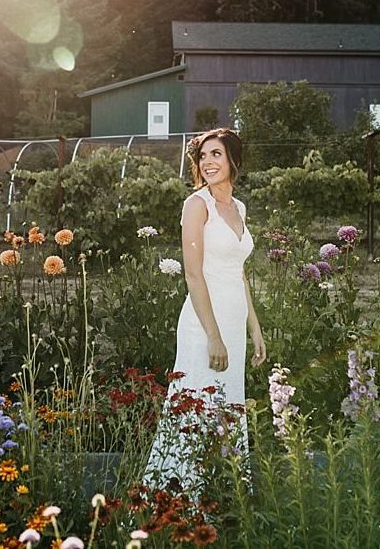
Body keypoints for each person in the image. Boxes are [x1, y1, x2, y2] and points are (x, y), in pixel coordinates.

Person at [144, 127, 266, 492]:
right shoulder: (197, 205)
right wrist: (213, 336)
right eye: (203, 156)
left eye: (217, 154)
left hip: (233, 322)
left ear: (233, 159)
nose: (208, 162)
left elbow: (240, 275)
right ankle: (179, 500)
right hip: (203, 325)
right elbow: (194, 276)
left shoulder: (239, 207)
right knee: (195, 405)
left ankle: (224, 495)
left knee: (227, 407)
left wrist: (254, 329)